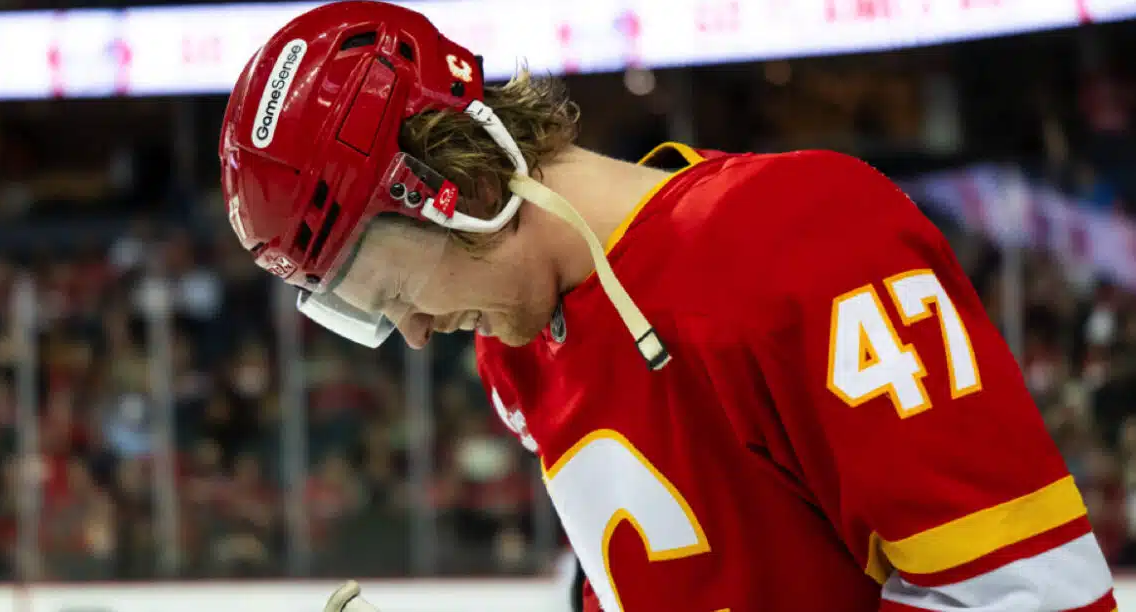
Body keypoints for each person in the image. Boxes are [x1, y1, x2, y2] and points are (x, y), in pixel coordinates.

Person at [218, 2, 1117, 611]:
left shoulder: (803, 238)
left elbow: (1029, 596)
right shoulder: (521, 350)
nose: (410, 333)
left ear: (451, 182)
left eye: (390, 291)